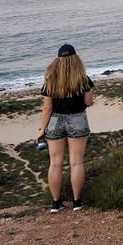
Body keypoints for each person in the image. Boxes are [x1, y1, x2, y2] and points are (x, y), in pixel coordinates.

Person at [35, 43, 94, 212]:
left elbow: (47, 108)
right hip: (77, 119)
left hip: (54, 122)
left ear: (58, 60)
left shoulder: (50, 80)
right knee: (76, 163)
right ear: (76, 59)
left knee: (55, 164)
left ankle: (55, 203)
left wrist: (41, 129)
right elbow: (88, 102)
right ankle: (77, 202)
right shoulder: (84, 79)